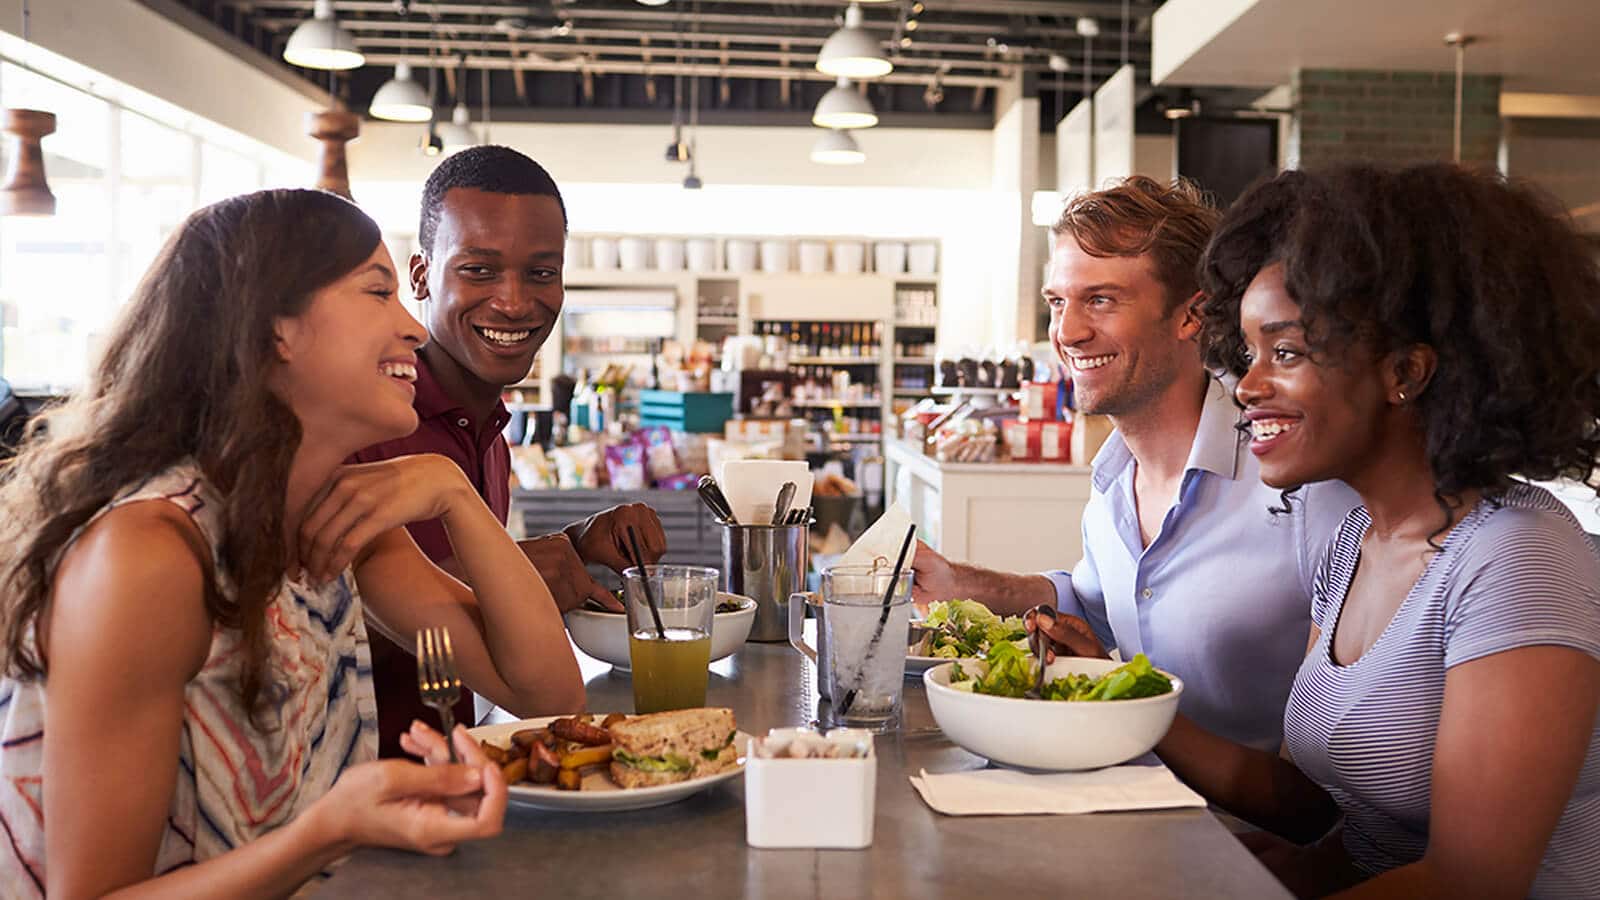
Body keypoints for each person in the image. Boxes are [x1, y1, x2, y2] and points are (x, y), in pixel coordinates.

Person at [0, 189, 586, 896]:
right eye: (378, 292)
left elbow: (548, 694)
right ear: (276, 326)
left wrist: (453, 492)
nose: (411, 328)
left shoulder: (321, 515)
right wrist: (332, 828)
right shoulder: (151, 554)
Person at [1123, 163, 1600, 898]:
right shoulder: (1355, 542)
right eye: (1247, 354)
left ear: (1405, 370)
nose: (1246, 387)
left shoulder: (1517, 555)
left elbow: (1470, 883)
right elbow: (1321, 808)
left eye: (1284, 353)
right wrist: (1118, 703)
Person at [913, 176, 1357, 751]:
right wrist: (959, 583)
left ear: (1191, 316)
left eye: (1100, 300)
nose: (1067, 332)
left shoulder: (1302, 484)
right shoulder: (1114, 479)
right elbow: (1095, 607)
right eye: (1057, 302)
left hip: (1258, 833)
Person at [351, 145, 666, 757]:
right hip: (361, 788)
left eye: (541, 273)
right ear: (420, 276)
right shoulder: (363, 421)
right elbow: (323, 614)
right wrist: (514, 573)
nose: (515, 301)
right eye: (479, 270)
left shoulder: (490, 428)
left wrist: (574, 546)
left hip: (458, 774)